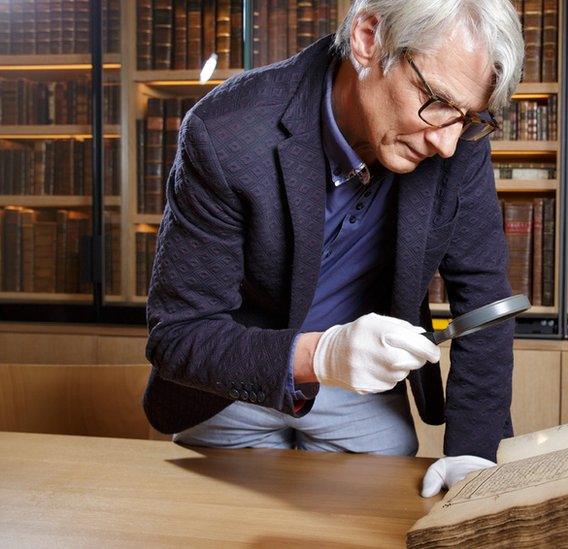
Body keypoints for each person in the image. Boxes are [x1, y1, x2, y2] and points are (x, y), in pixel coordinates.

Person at [142, 0, 524, 498]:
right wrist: (322, 355)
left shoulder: (457, 137)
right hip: (234, 384)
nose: (447, 144)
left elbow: (485, 300)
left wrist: (474, 450)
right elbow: (179, 334)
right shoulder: (225, 131)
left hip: (362, 392)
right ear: (370, 39)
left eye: (469, 118)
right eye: (437, 101)